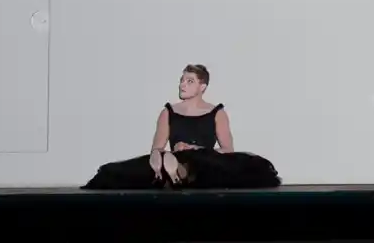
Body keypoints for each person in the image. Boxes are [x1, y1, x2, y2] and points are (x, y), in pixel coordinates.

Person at [82, 65, 280, 190]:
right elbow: (157, 148)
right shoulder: (168, 112)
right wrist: (162, 155)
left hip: (206, 162)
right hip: (173, 157)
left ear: (202, 87)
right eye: (182, 80)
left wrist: (194, 149)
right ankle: (170, 172)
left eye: (189, 81)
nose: (182, 85)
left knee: (203, 162)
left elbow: (228, 150)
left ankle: (179, 173)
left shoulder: (216, 112)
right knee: (123, 171)